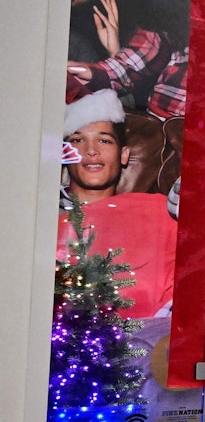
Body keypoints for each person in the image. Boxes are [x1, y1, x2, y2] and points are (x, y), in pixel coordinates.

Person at [56, 90, 176, 319]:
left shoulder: (159, 210)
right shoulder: (42, 219)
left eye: (104, 140)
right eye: (77, 140)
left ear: (124, 155)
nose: (91, 150)